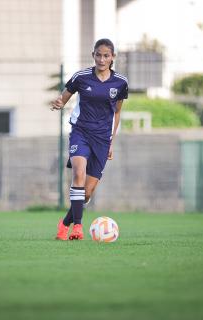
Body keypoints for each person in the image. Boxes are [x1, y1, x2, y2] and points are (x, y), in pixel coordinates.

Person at [51, 38, 128, 240]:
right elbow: (64, 97)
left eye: (106, 55)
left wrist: (111, 142)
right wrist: (59, 102)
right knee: (79, 173)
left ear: (113, 57)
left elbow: (117, 113)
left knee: (87, 193)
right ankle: (77, 227)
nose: (102, 59)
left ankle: (64, 223)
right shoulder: (81, 77)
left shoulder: (120, 82)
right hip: (81, 132)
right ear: (92, 55)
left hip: (102, 139)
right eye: (98, 55)